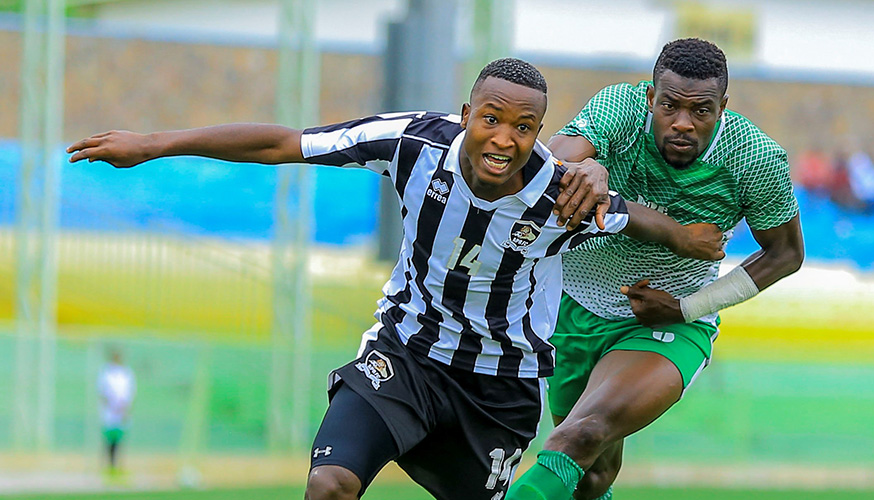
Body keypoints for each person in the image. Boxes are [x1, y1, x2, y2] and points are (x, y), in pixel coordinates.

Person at [68, 58, 725, 500]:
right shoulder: (412, 141)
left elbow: (636, 220)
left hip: (499, 391)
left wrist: (689, 238)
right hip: (403, 358)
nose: (502, 139)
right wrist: (155, 144)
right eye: (489, 118)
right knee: (329, 487)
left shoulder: (560, 193)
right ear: (465, 111)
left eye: (523, 128)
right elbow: (284, 144)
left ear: (539, 135)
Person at [507, 39, 805, 500]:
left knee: (577, 437)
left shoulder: (755, 158)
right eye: (669, 105)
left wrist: (688, 308)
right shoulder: (621, 107)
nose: (682, 123)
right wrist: (593, 174)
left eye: (701, 111)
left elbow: (786, 254)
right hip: (570, 309)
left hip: (666, 322)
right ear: (651, 97)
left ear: (723, 106)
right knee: (589, 477)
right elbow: (555, 164)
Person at [97, 348, 135, 475]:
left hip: (121, 412)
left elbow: (129, 393)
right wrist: (111, 405)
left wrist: (124, 408)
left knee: (120, 441)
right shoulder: (106, 373)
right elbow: (102, 392)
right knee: (109, 441)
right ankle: (109, 466)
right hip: (109, 412)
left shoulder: (126, 373)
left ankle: (119, 467)